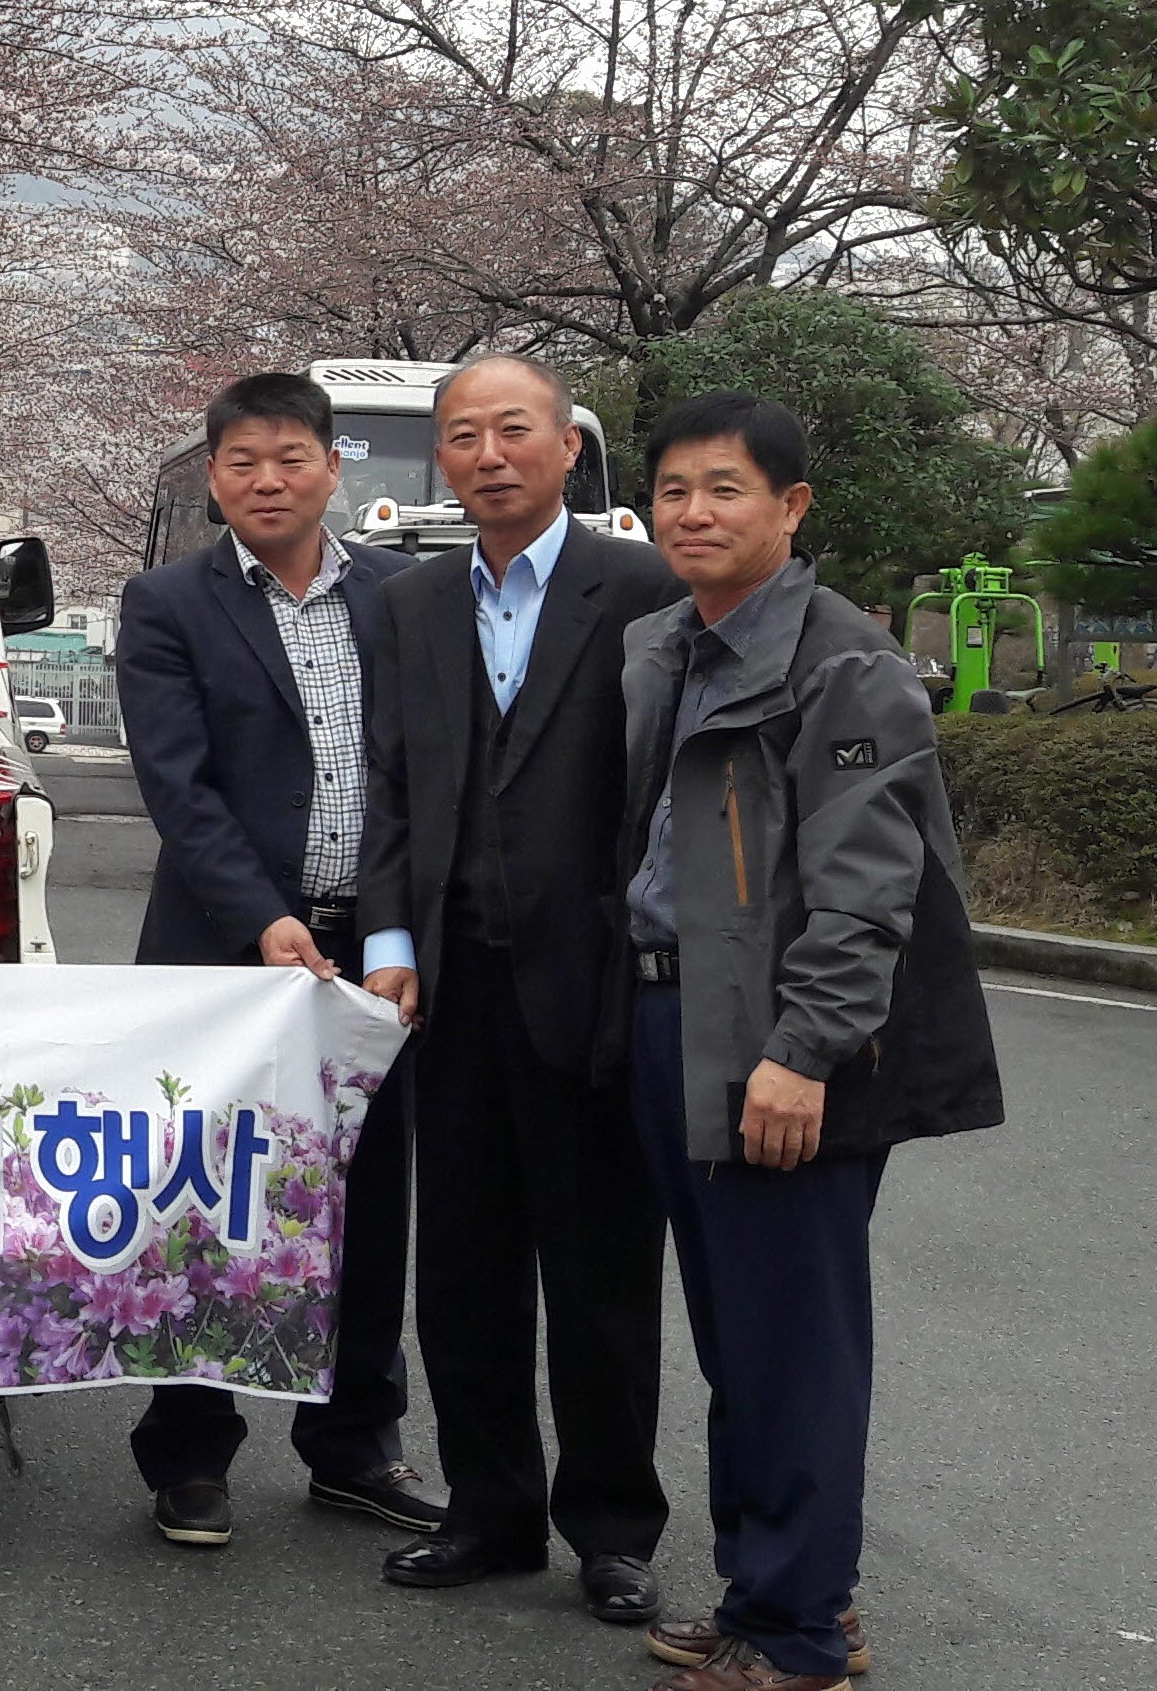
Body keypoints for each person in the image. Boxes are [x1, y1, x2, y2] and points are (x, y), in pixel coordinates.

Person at [618, 392, 1005, 1690]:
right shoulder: (667, 643)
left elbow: (864, 891)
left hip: (779, 1039)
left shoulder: (845, 663)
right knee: (741, 1334)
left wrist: (803, 1051)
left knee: (793, 1340)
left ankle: (796, 1637)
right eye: (673, 489)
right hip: (672, 1011)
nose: (693, 512)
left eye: (724, 488)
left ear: (790, 507)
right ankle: (779, 1595)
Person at [358, 355, 679, 1626]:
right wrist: (391, 938)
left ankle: (613, 1528)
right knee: (464, 1266)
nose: (487, 456)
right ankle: (489, 1512)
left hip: (596, 982)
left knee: (602, 1272)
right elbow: (390, 784)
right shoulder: (412, 602)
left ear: (566, 449)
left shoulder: (643, 587)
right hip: (452, 983)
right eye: (462, 436)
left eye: (512, 431)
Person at [113, 371, 432, 1551]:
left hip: (369, 952)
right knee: (208, 1199)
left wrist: (390, 931)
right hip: (224, 954)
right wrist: (261, 916)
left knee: (367, 1197)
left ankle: (354, 1446)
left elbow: (419, 779)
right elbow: (178, 785)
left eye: (291, 457)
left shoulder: (402, 597)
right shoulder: (167, 603)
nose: (268, 480)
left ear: (333, 468)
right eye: (242, 462)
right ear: (213, 478)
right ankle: (190, 1453)